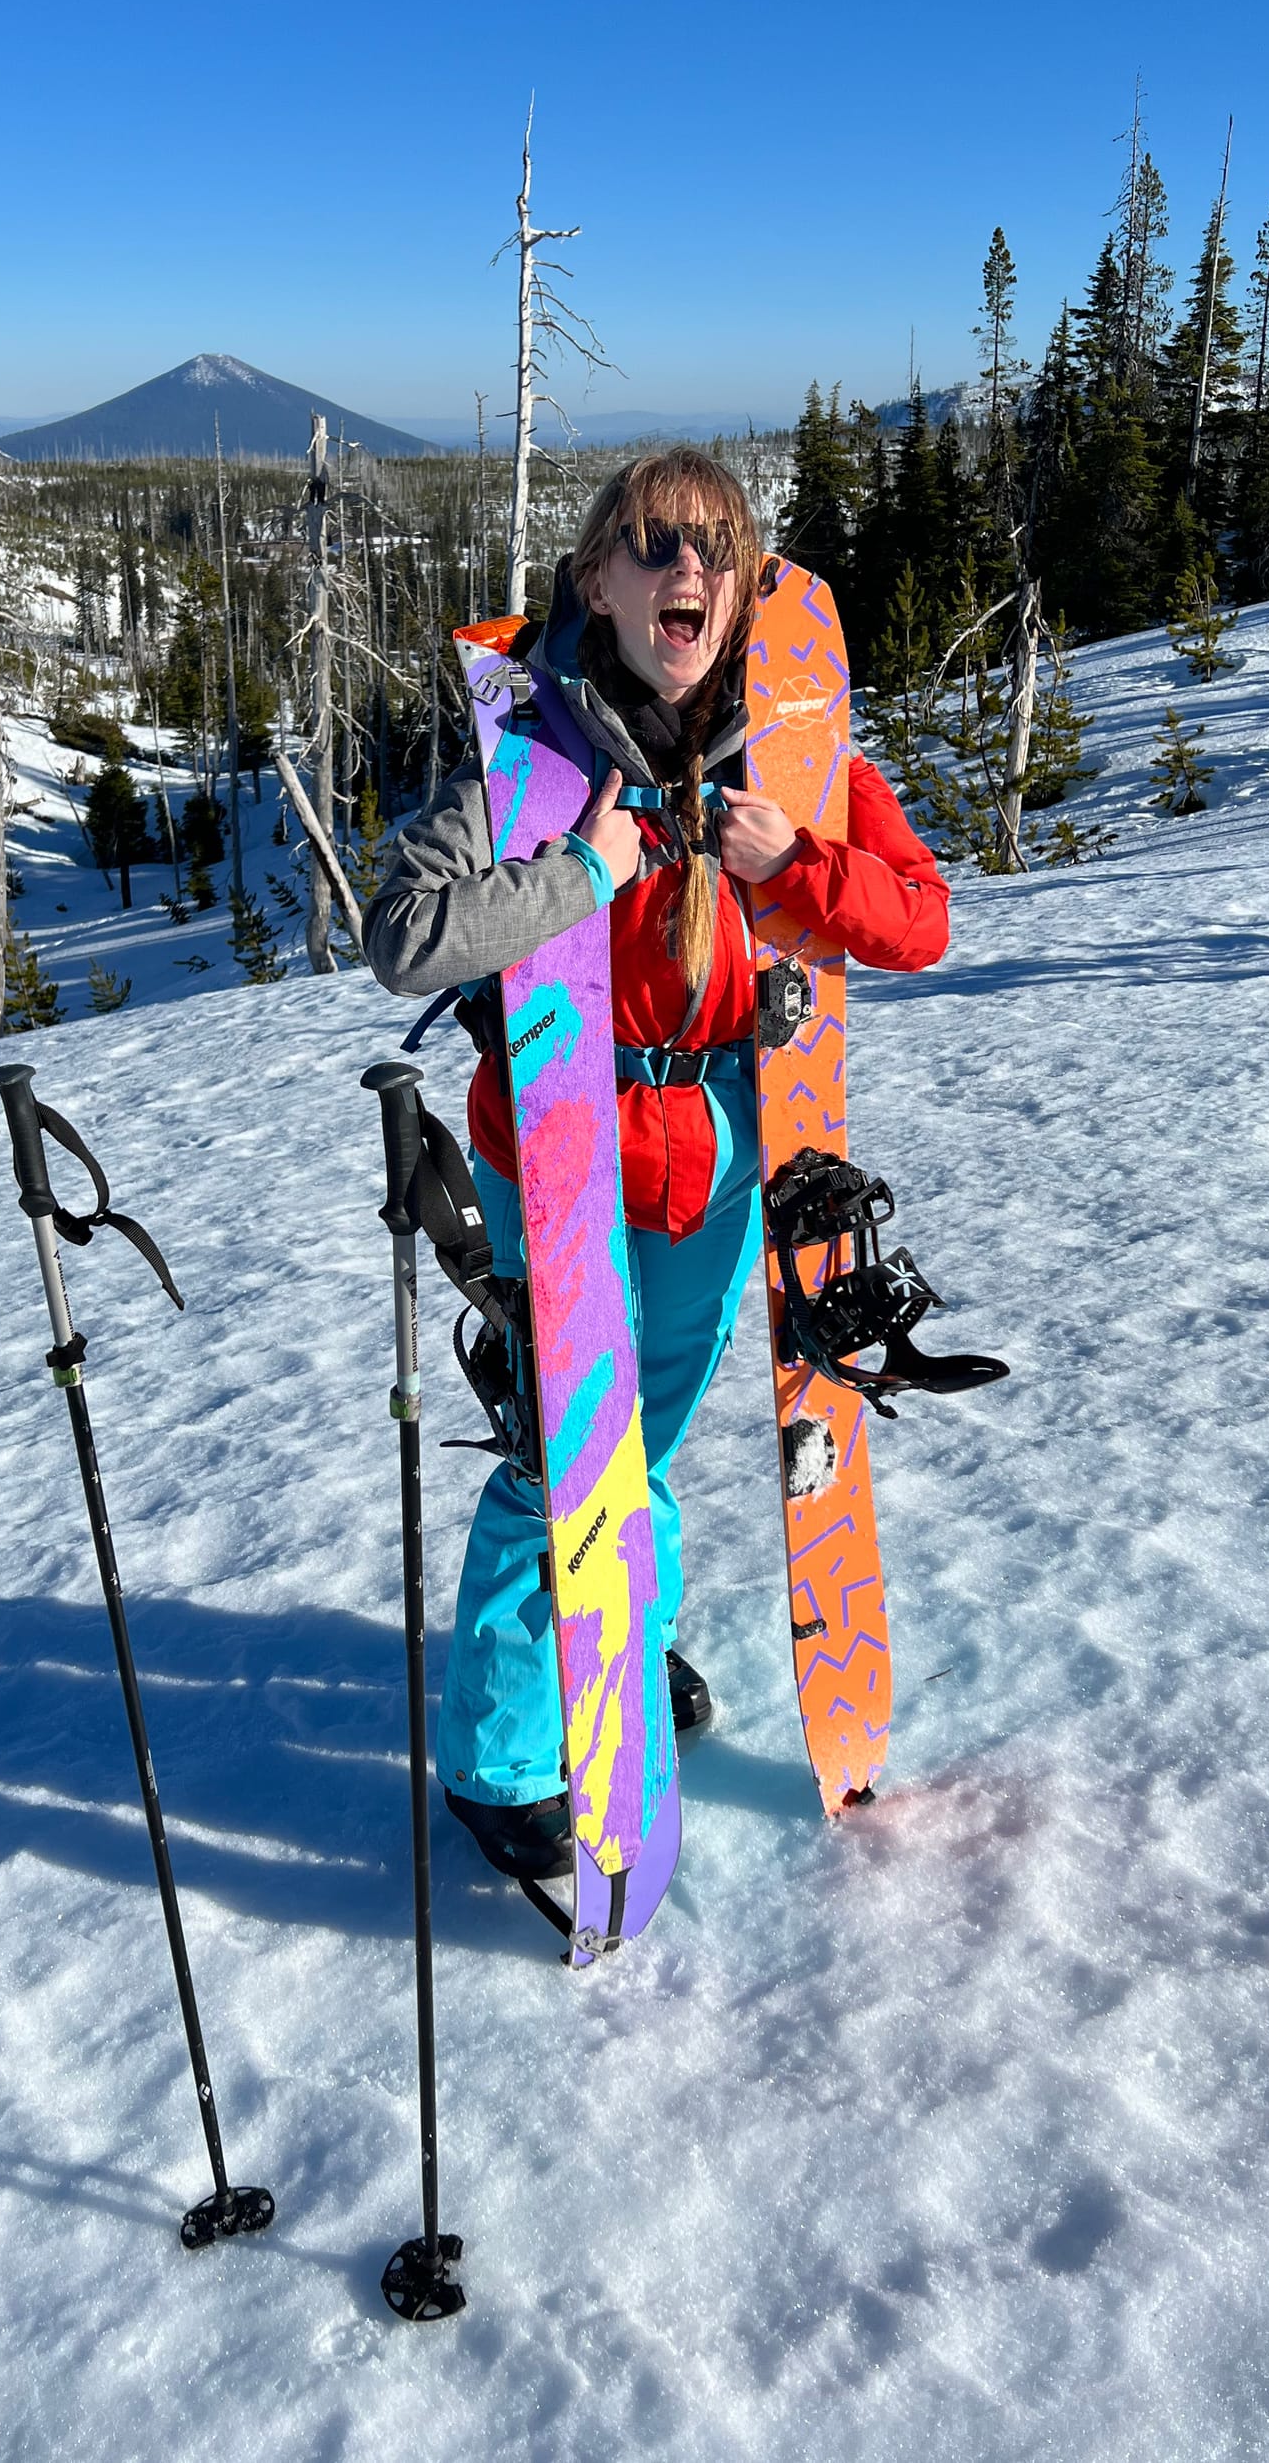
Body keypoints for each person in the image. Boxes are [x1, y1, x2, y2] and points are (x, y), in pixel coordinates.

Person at [363, 446, 950, 1879]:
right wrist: (587, 874)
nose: (687, 566)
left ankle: (623, 1636)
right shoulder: (533, 755)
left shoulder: (796, 751)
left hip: (718, 1167)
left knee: (653, 1442)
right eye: (651, 543)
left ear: (743, 585)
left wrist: (794, 861)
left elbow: (918, 919)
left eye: (714, 546)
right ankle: (504, 1765)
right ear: (598, 583)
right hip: (555, 1151)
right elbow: (402, 935)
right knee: (565, 1455)